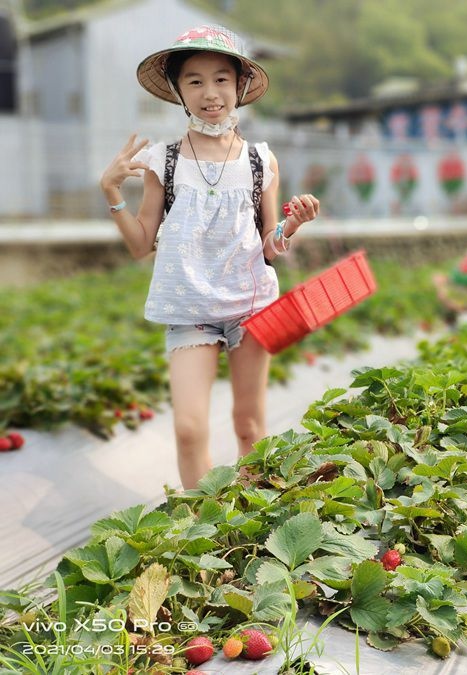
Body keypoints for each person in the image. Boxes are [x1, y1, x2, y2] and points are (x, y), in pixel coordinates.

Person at [99, 25, 319, 489]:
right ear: (179, 90)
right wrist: (112, 191)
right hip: (189, 309)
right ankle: (202, 527)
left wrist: (291, 225)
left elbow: (269, 245)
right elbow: (142, 244)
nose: (209, 92)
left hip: (250, 306)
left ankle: (251, 522)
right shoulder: (166, 161)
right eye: (194, 81)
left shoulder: (261, 160)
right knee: (189, 428)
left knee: (250, 428)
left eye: (221, 79)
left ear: (240, 86)